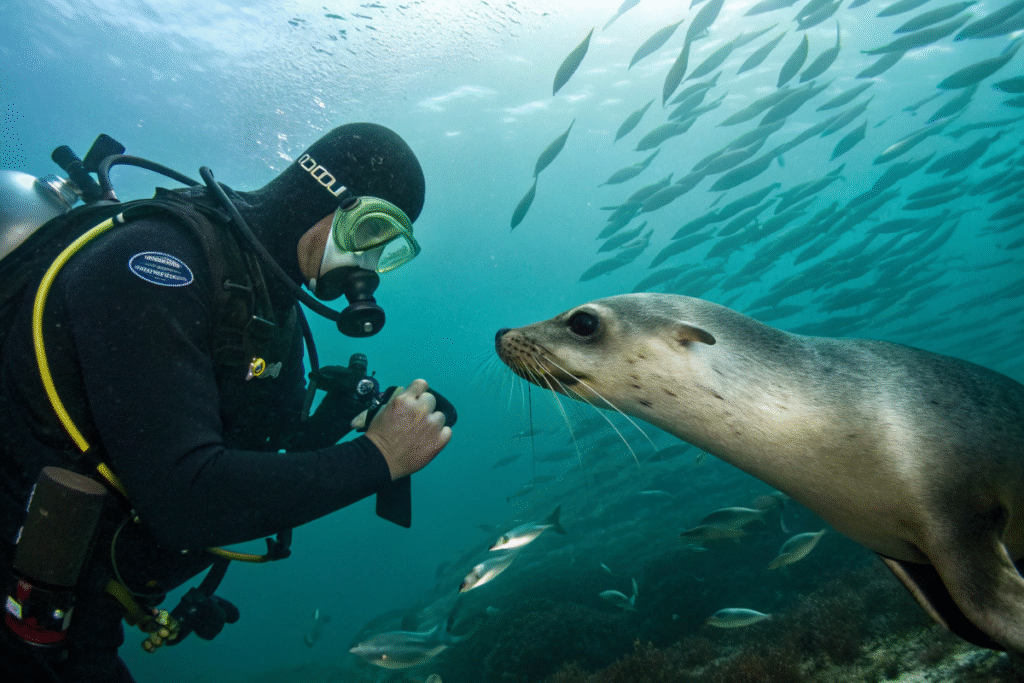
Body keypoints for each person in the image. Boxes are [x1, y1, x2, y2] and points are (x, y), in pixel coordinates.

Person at [0, 122, 453, 681]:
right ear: (331, 200)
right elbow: (187, 498)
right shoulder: (158, 264)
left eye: (389, 249)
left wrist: (338, 426)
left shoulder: (267, 301)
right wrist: (380, 458)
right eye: (372, 232)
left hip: (88, 605)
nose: (371, 264)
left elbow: (250, 454)